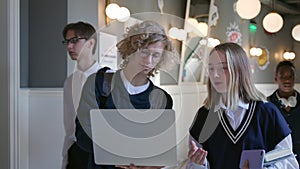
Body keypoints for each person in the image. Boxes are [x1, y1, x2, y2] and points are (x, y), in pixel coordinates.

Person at [69, 20, 179, 169]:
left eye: (156, 55)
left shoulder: (162, 99)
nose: (148, 60)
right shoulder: (99, 84)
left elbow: (158, 148)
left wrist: (152, 164)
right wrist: (113, 156)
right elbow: (82, 134)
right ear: (131, 50)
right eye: (144, 52)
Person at [187, 43, 299, 169]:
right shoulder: (204, 116)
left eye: (223, 68)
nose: (215, 75)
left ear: (240, 71)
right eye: (211, 69)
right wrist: (199, 164)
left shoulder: (267, 112)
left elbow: (290, 163)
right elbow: (192, 165)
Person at [61, 21, 101, 169]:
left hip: (100, 153)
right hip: (76, 152)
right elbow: (69, 126)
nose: (69, 46)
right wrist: (66, 158)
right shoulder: (69, 82)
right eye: (67, 42)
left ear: (90, 43)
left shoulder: (108, 79)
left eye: (74, 40)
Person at [267, 60, 300, 164]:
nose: (287, 80)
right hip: (278, 160)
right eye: (283, 76)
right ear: (276, 78)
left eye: (290, 76)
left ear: (295, 78)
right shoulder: (267, 105)